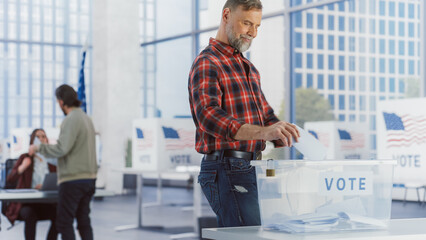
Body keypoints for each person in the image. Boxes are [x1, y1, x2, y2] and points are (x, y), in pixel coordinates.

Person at [188, 0, 300, 227]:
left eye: (257, 26)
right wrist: (264, 132)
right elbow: (208, 116)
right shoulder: (208, 62)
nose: (253, 33)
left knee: (257, 231)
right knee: (248, 234)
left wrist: (284, 131)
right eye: (247, 23)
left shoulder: (248, 68)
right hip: (226, 167)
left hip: (251, 167)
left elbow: (265, 115)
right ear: (226, 15)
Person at [29, 84, 97, 240]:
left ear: (60, 102)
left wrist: (40, 148)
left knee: (64, 223)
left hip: (73, 180)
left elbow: (62, 149)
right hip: (89, 179)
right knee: (83, 222)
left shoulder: (70, 119)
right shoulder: (86, 119)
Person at [5, 128, 58, 240]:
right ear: (32, 141)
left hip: (46, 201)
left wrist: (44, 186)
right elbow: (9, 180)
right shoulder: (25, 157)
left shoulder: (51, 161)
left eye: (43, 136)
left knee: (61, 214)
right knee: (30, 215)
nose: (40, 139)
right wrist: (22, 167)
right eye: (37, 137)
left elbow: (57, 180)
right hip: (27, 203)